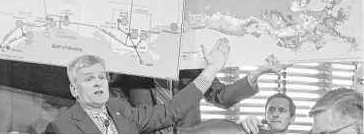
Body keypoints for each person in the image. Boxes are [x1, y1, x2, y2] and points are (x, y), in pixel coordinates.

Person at [44, 38, 230, 134]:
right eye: (88, 79)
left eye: (101, 77)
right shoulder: (60, 128)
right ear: (74, 89)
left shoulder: (121, 110)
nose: (97, 83)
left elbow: (171, 111)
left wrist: (211, 69)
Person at [109, 51, 289, 132]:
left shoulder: (192, 63)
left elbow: (221, 96)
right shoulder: (129, 60)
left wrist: (257, 72)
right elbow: (119, 107)